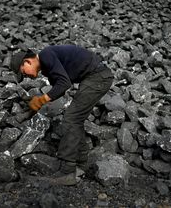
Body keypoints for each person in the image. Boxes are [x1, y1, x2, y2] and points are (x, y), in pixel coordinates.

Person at [10, 45, 113, 185]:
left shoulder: (45, 55)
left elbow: (64, 84)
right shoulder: (47, 68)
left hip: (98, 77)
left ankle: (67, 171)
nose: (26, 76)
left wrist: (40, 100)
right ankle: (81, 164)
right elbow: (59, 90)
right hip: (96, 77)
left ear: (28, 61)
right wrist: (34, 107)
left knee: (71, 119)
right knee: (76, 119)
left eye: (23, 72)